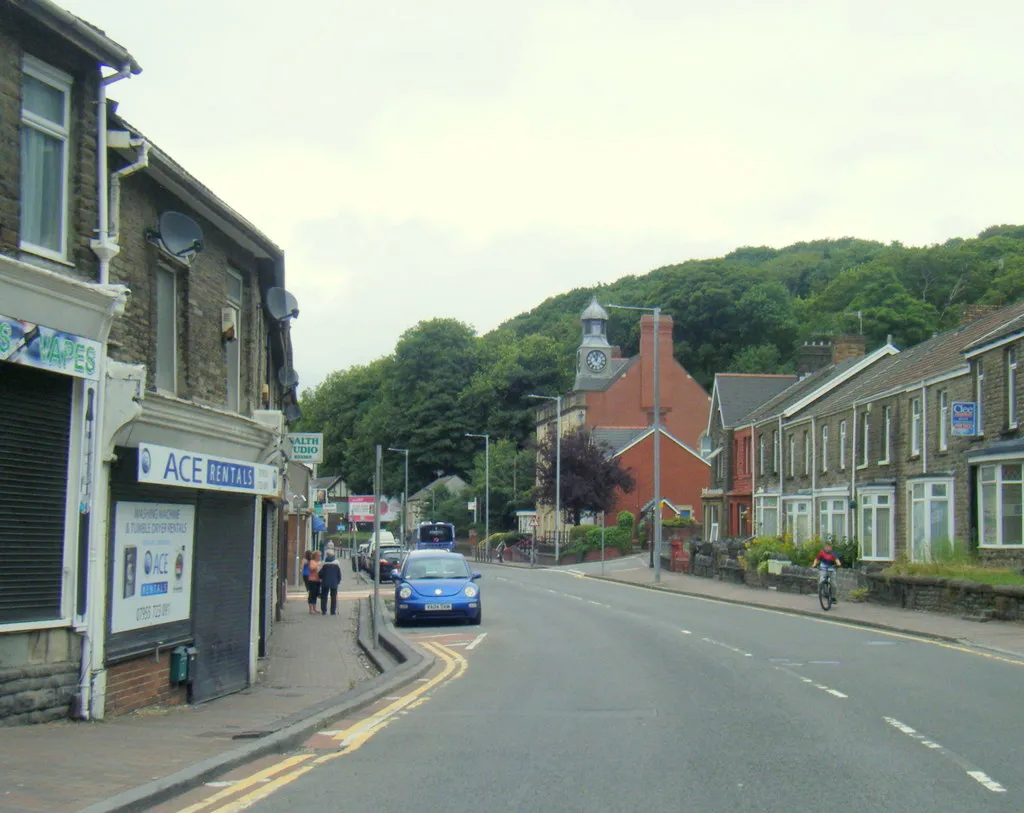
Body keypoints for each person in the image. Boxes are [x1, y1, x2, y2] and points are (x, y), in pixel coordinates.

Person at [318, 545, 343, 616]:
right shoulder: (336, 564)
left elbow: (320, 574)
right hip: (334, 583)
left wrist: (321, 578)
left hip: (325, 582)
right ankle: (332, 611)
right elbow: (339, 575)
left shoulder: (324, 564)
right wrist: (338, 582)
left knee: (324, 596)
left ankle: (324, 610)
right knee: (333, 597)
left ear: (327, 555)